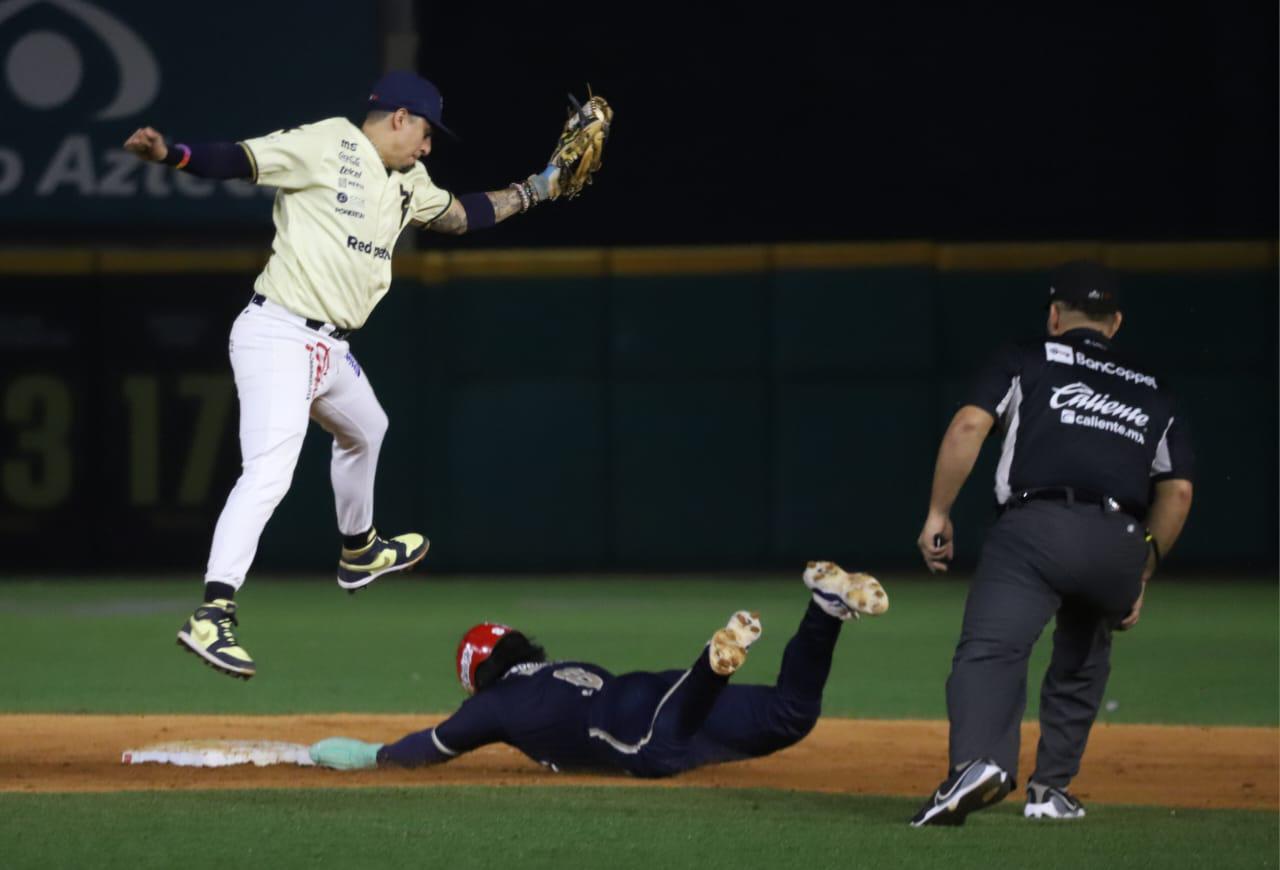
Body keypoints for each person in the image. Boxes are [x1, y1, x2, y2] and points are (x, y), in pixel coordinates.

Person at [122, 71, 575, 680]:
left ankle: (359, 551)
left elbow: (463, 216)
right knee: (269, 473)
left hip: (329, 347)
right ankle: (213, 613)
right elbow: (239, 159)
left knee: (367, 428)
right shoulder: (328, 144)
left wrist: (538, 189)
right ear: (397, 118)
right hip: (278, 333)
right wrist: (171, 153)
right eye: (424, 131)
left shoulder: (410, 182)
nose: (428, 146)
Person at [908, 260, 1195, 826]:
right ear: (1114, 322)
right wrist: (1143, 568)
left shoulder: (1028, 355)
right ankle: (1052, 790)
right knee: (1084, 659)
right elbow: (1178, 492)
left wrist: (939, 511)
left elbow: (970, 425)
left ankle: (980, 762)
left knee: (992, 650)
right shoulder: (1154, 389)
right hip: (1119, 539)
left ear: (1055, 315)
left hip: (1037, 529)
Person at [308, 562, 888, 776]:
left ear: (476, 675)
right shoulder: (566, 668)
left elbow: (428, 748)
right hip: (653, 691)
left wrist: (372, 755)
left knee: (654, 755)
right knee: (790, 716)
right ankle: (824, 611)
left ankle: (714, 665)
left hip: (640, 723)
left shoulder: (495, 706)